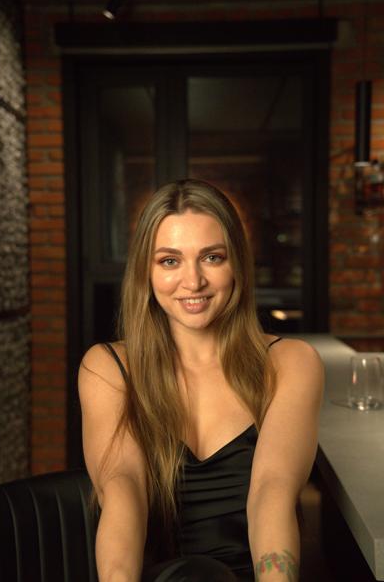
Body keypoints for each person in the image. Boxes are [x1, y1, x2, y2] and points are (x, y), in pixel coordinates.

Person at [79, 179, 324, 582]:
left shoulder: (291, 363)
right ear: (145, 271)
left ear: (236, 264)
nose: (193, 282)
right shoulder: (107, 368)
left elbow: (273, 491)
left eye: (212, 257)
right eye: (169, 261)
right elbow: (123, 490)